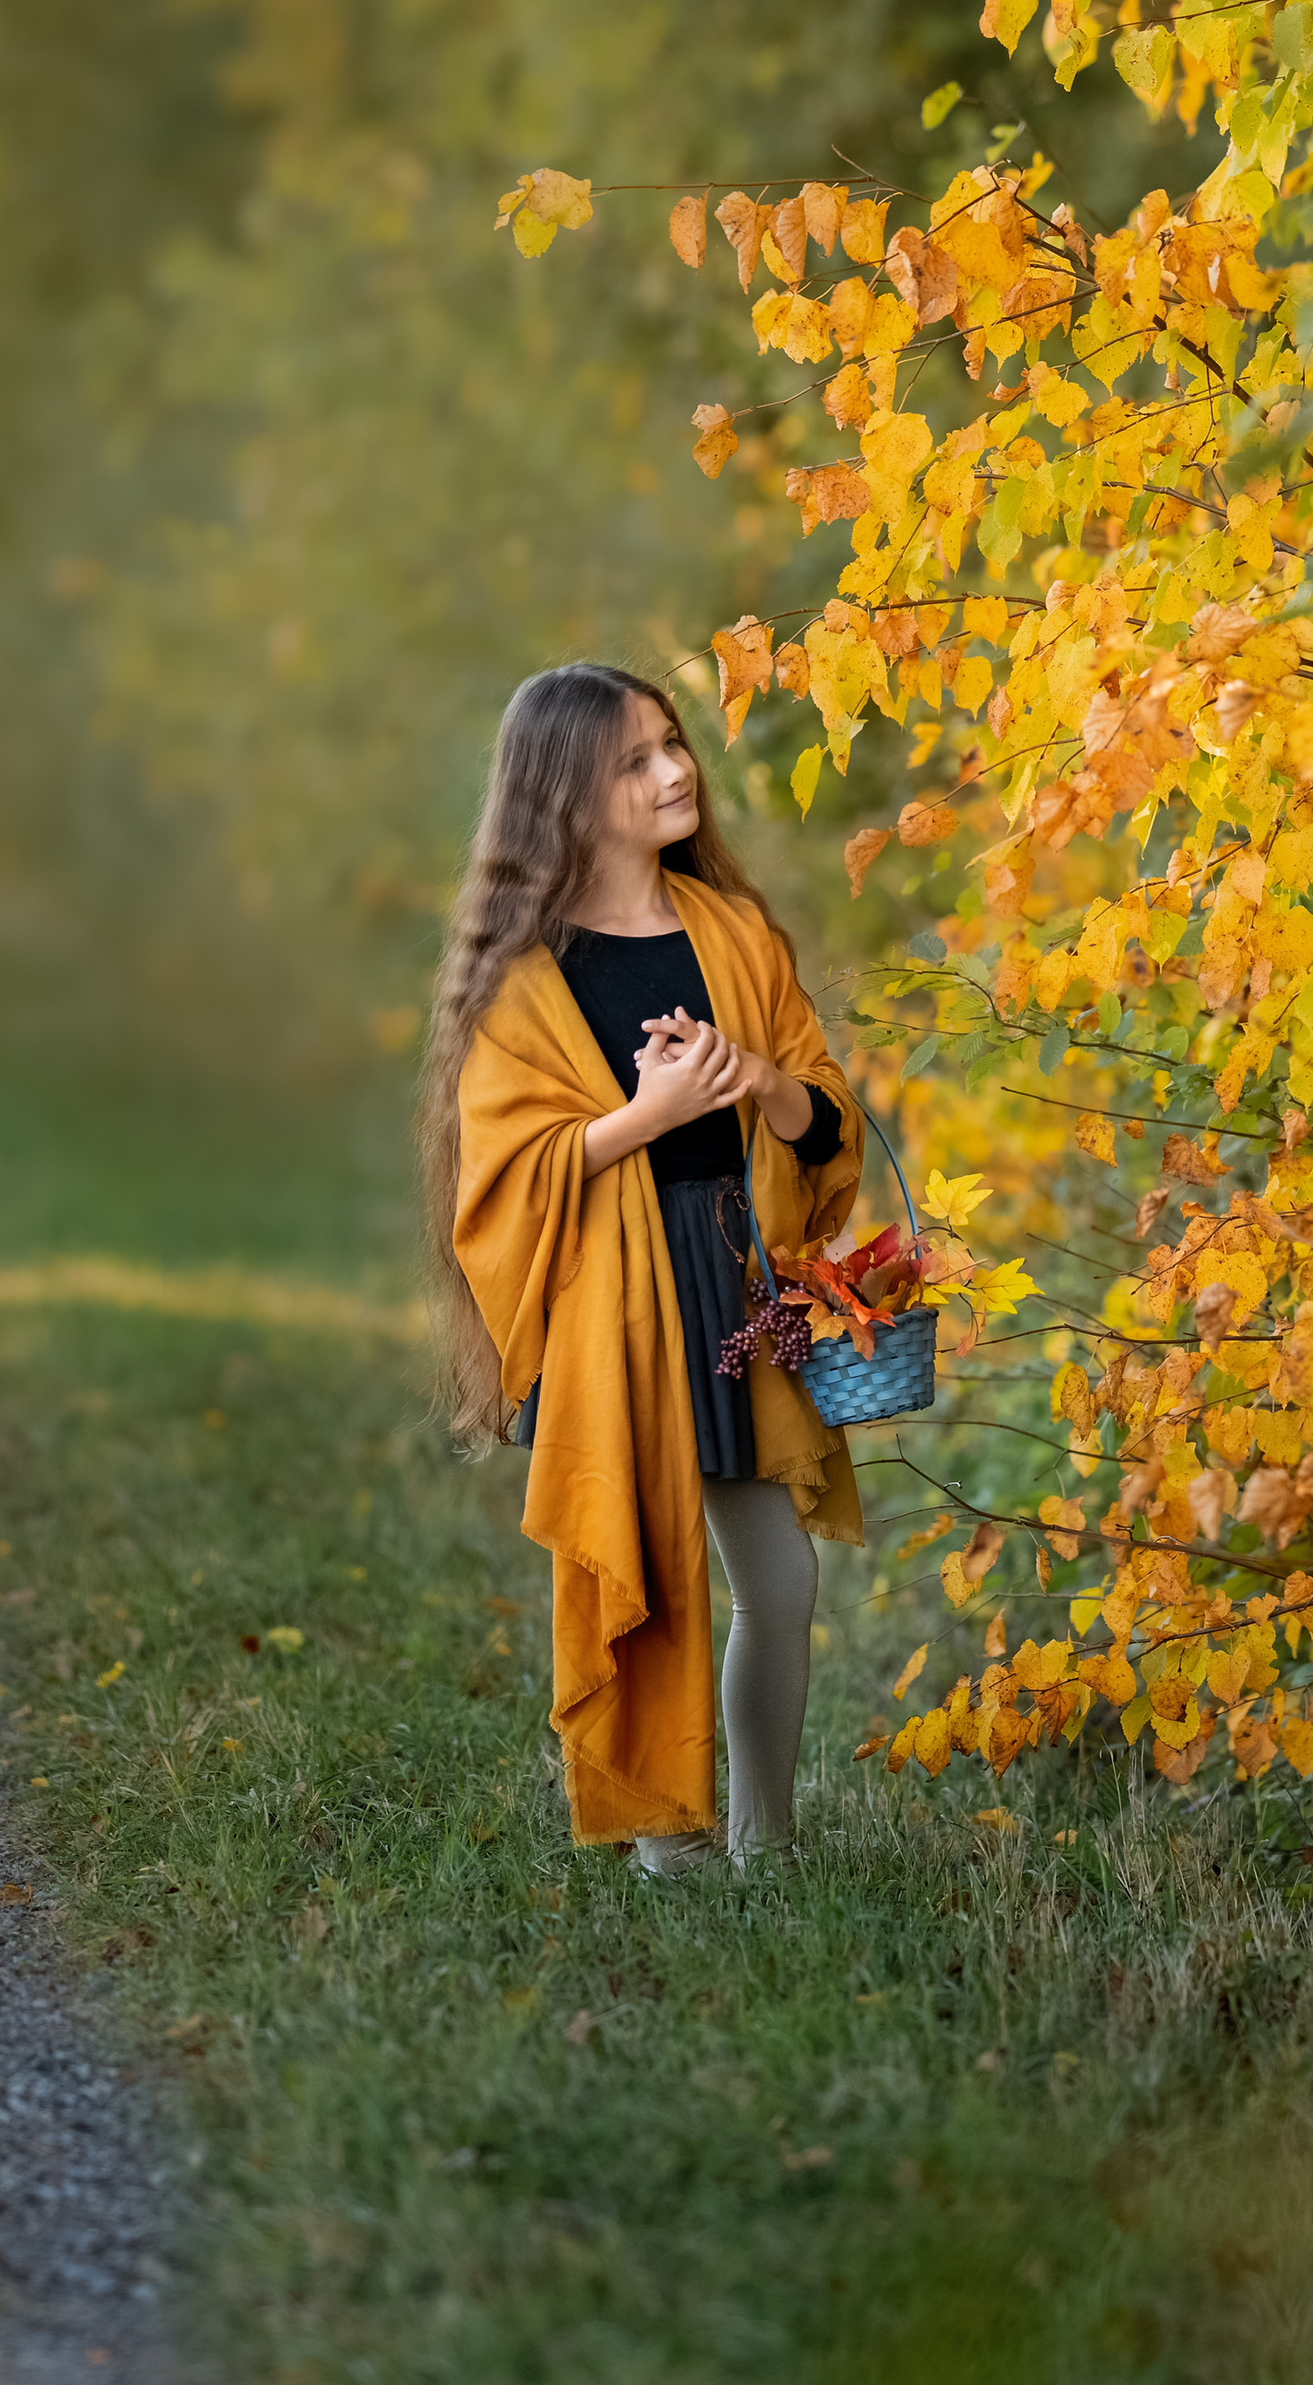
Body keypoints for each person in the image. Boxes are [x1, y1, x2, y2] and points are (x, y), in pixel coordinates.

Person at [420, 662, 867, 1872]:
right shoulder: (528, 978)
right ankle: (671, 1847)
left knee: (779, 1583)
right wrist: (649, 1110)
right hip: (619, 1302)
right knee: (653, 1580)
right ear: (564, 794)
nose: (674, 771)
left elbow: (823, 1116)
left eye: (672, 744)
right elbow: (504, 1181)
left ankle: (766, 1848)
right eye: (634, 760)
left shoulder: (732, 931)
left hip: (737, 1278)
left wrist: (761, 1084)